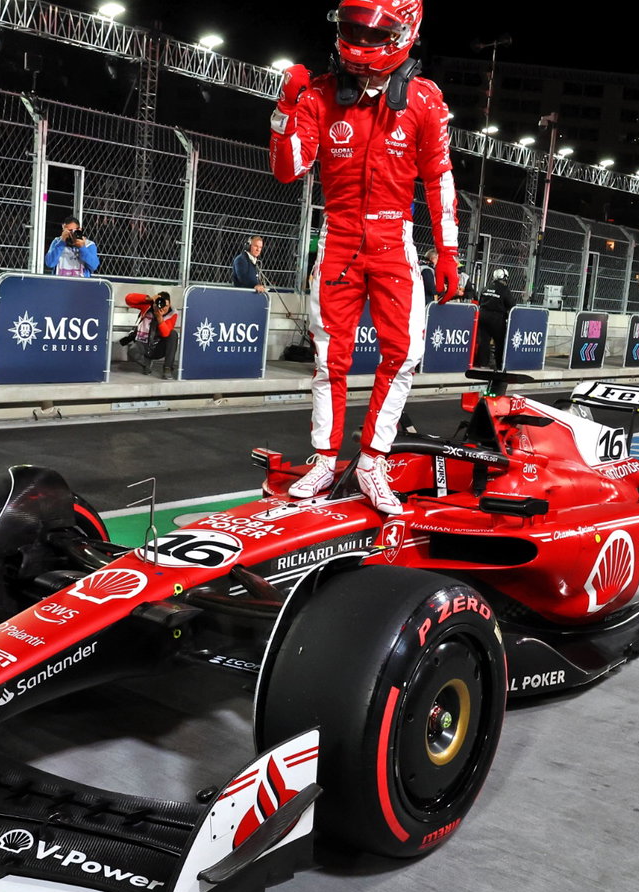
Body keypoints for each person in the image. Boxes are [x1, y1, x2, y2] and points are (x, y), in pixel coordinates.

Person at [268, 0, 458, 514]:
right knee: (329, 358)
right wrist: (283, 111)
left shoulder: (425, 100)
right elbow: (289, 169)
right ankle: (325, 461)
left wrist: (448, 252)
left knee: (405, 353)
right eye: (352, 29)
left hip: (395, 241)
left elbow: (439, 179)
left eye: (373, 32)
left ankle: (373, 462)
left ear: (405, 33)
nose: (360, 40)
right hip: (339, 238)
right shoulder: (320, 97)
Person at [118, 291, 178, 376]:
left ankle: (167, 368)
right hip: (143, 343)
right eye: (161, 304)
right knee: (132, 351)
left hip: (158, 347)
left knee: (173, 334)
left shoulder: (172, 313)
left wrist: (159, 317)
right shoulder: (148, 306)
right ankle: (146, 365)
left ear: (170, 304)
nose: (163, 308)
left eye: (166, 305)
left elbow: (165, 333)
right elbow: (128, 299)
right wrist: (148, 299)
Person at [476, 268, 516, 368]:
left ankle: (483, 363)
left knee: (484, 341)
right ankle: (499, 365)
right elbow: (512, 304)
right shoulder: (504, 289)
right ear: (505, 278)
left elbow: (480, 301)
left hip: (483, 315)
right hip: (497, 318)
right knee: (499, 342)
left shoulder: (486, 288)